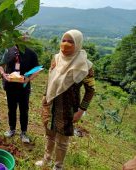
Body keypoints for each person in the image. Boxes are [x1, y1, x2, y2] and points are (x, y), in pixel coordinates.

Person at [35, 30, 95, 170]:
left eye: (71, 41)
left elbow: (90, 90)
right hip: (51, 104)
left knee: (62, 140)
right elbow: (51, 79)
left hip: (68, 108)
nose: (66, 44)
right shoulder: (56, 58)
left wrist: (81, 110)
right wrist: (45, 97)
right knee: (49, 135)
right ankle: (47, 160)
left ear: (78, 44)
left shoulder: (85, 65)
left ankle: (58, 166)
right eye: (64, 40)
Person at [0, 43, 40, 143]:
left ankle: (23, 132)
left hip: (24, 87)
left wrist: (28, 79)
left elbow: (37, 69)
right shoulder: (7, 51)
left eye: (25, 38)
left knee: (24, 109)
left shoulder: (31, 53)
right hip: (10, 86)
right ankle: (12, 129)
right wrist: (3, 74)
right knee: (11, 108)